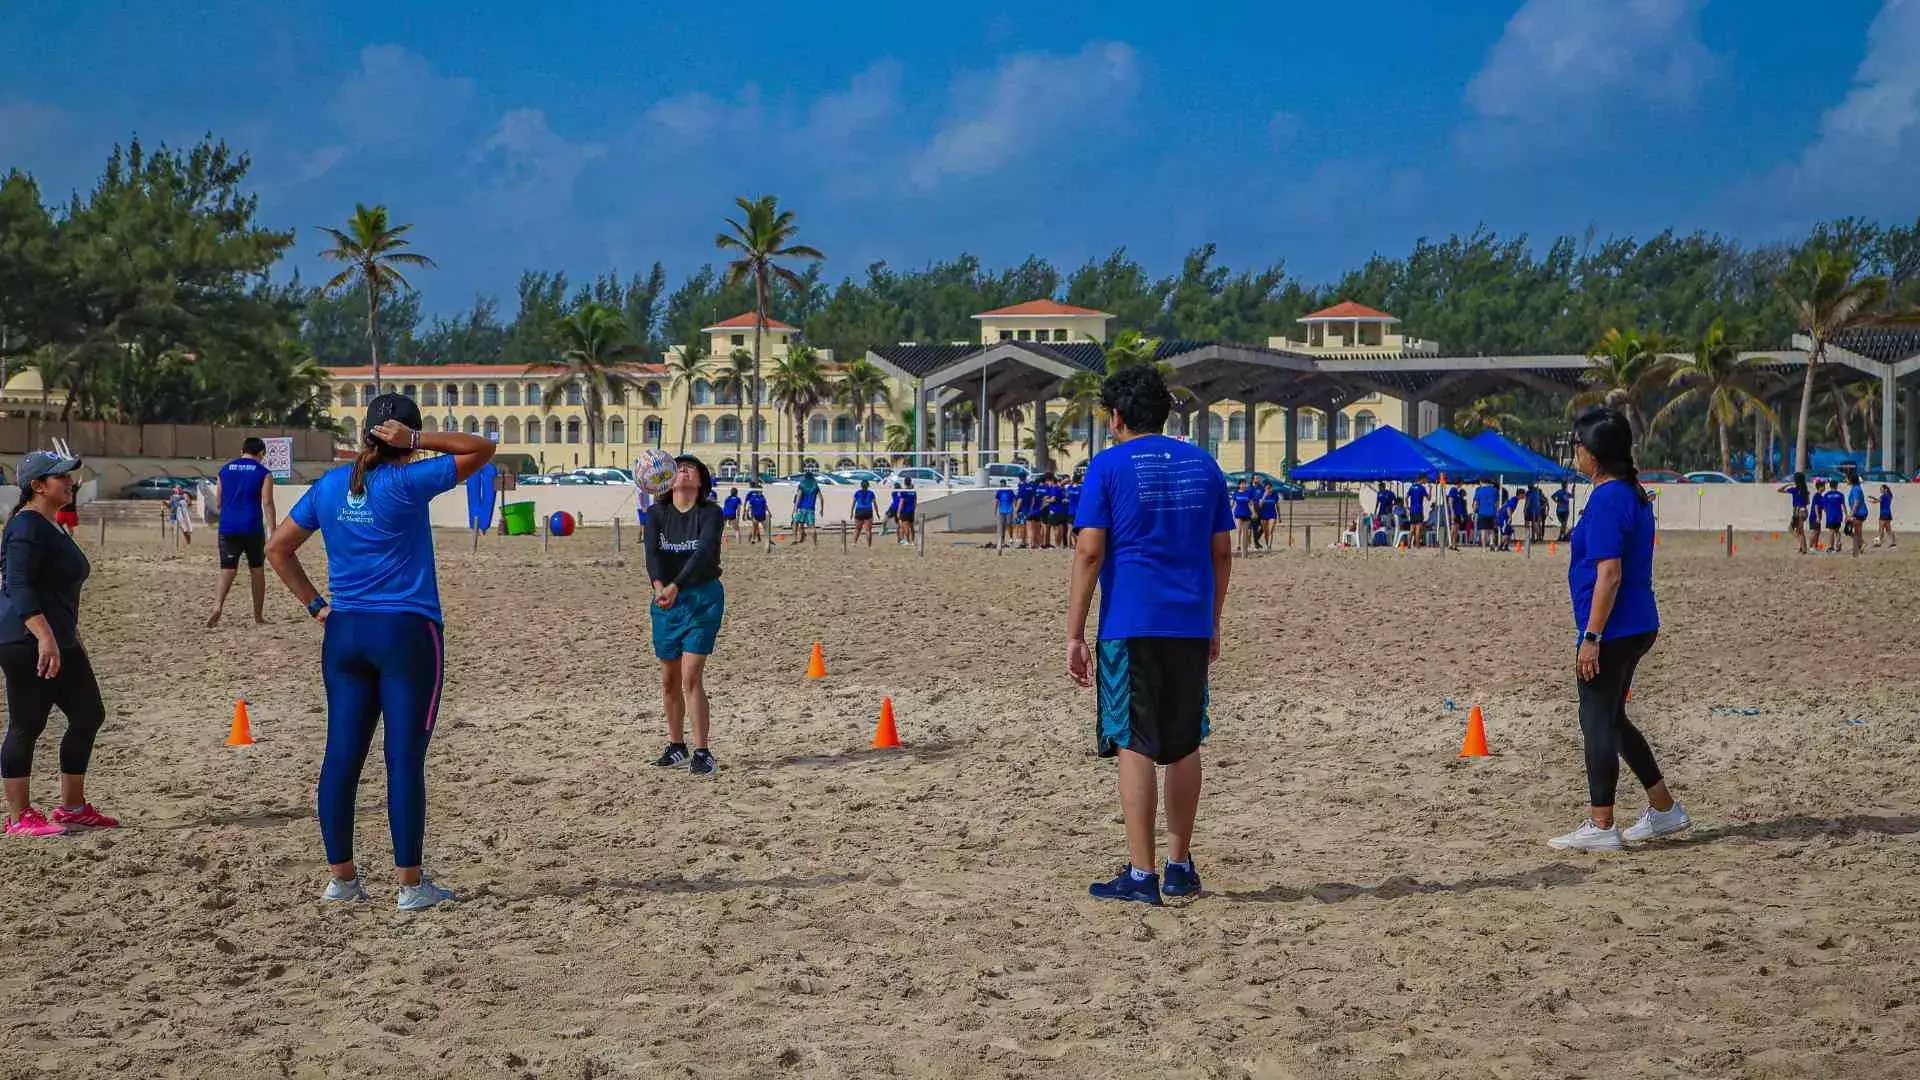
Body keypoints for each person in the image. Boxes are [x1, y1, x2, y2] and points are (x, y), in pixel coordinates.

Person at [266, 392, 495, 910]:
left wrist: (315, 605)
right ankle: (411, 885)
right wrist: (417, 441)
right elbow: (482, 448)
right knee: (404, 760)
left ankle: (342, 880)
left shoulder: (329, 486)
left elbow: (277, 548)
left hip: (344, 632)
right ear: (403, 437)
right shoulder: (407, 480)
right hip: (405, 632)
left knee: (341, 756)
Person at [1067, 365, 1233, 905]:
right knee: (1184, 743)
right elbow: (1223, 552)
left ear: (1115, 417)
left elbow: (1090, 550)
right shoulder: (1205, 465)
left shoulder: (1108, 466)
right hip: (1188, 620)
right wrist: (1212, 620)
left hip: (1130, 624)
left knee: (1133, 743)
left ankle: (1141, 876)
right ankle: (1179, 863)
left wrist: (1074, 632)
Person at [1550, 407, 1689, 852]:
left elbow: (1609, 573)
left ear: (1593, 453)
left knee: (1595, 722)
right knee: (1612, 719)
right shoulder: (1632, 493)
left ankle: (1601, 823)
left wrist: (1591, 638)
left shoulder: (1610, 497)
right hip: (1636, 622)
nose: (1574, 452)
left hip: (1613, 627)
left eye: (1576, 445)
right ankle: (1664, 809)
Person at [1, 451, 116, 837]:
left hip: (60, 637)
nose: (71, 482)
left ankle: (72, 807)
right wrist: (45, 636)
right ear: (37, 486)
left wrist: (68, 634)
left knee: (88, 714)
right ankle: (19, 817)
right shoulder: (25, 526)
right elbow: (17, 586)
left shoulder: (51, 524)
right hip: (26, 639)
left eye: (71, 477)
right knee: (26, 725)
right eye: (61, 478)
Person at [645, 456, 726, 776]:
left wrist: (676, 585)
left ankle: (703, 751)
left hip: (702, 598)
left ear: (702, 480)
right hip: (666, 600)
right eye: (678, 467)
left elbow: (704, 551)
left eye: (691, 467)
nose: (684, 470)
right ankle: (677, 746)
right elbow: (651, 553)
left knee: (691, 675)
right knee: (669, 680)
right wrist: (659, 587)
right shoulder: (656, 514)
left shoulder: (711, 513)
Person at [208, 437, 278, 628]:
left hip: (228, 527)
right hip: (252, 527)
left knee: (227, 569)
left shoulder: (224, 470)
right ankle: (258, 616)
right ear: (261, 453)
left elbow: (219, 503)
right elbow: (267, 503)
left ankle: (217, 605)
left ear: (242, 450)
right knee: (257, 571)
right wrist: (273, 531)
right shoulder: (263, 472)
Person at [792, 470, 820, 545]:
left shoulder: (802, 484)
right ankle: (815, 543)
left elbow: (798, 497)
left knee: (795, 522)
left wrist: (795, 508)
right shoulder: (815, 486)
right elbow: (822, 499)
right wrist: (821, 509)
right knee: (811, 526)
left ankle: (795, 538)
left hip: (802, 507)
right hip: (811, 509)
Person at [1846, 471, 1870, 557]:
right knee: (1857, 531)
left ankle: (1857, 549)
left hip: (1859, 513)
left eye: (1847, 478)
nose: (1846, 480)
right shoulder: (1856, 487)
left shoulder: (1856, 488)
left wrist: (1851, 515)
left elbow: (1856, 502)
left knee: (1850, 530)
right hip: (1859, 512)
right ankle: (1860, 546)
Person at [1820, 478, 1846, 555]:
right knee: (1837, 531)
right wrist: (1847, 514)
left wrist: (1828, 513)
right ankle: (1838, 545)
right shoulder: (1840, 495)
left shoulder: (1826, 495)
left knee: (1831, 532)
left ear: (1830, 486)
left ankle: (1831, 547)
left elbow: (1824, 507)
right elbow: (1843, 505)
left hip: (1830, 516)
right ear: (1837, 486)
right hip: (1838, 515)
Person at [1787, 473, 1811, 554]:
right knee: (1801, 531)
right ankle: (1802, 548)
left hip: (1797, 511)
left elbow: (1779, 490)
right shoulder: (1805, 491)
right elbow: (1808, 502)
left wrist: (1787, 484)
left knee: (1791, 529)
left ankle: (1803, 546)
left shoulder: (1794, 490)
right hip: (1804, 511)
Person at [1473, 480, 1499, 550]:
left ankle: (1484, 548)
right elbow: (1497, 503)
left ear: (1482, 482)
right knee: (1491, 530)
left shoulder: (1479, 491)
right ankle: (1491, 542)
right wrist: (1497, 512)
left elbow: (1475, 503)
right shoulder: (1495, 490)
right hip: (1492, 513)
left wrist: (1474, 512)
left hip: (1482, 513)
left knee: (1483, 531)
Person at [851, 479, 878, 547]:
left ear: (861, 485)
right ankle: (869, 545)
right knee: (868, 530)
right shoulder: (871, 493)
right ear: (868, 485)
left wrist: (851, 512)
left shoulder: (857, 493)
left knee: (857, 528)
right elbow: (875, 503)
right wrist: (877, 512)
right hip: (868, 510)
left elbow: (853, 503)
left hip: (859, 510)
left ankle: (854, 542)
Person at [1231, 478, 1255, 553]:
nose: (1243, 485)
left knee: (1246, 531)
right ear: (1239, 485)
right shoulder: (1235, 493)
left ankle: (1245, 544)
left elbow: (1251, 504)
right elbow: (1232, 504)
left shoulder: (1248, 493)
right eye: (1242, 484)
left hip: (1247, 514)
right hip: (1238, 513)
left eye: (1244, 483)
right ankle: (1238, 545)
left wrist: (1253, 512)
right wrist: (1229, 511)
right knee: (1239, 530)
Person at [1405, 475, 1429, 549]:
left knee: (1412, 528)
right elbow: (1428, 498)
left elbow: (1406, 497)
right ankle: (1417, 545)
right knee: (1418, 528)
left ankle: (1409, 544)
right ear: (1422, 479)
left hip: (1412, 510)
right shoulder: (1422, 488)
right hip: (1418, 509)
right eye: (1425, 479)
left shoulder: (1412, 487)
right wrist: (1430, 489)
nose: (1426, 481)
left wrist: (1407, 506)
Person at [1256, 478, 1279, 550]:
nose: (1268, 490)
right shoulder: (1262, 494)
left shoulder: (1275, 495)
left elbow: (1277, 506)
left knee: (1270, 530)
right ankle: (1267, 544)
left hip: (1272, 514)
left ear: (1271, 488)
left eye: (1269, 488)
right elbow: (1259, 505)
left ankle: (1269, 546)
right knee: (1266, 532)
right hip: (1264, 515)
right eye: (1267, 488)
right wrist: (1264, 496)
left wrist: (1279, 516)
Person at [895, 478, 918, 545]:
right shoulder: (913, 491)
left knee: (906, 526)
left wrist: (898, 511)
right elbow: (915, 502)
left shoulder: (903, 491)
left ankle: (907, 541)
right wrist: (913, 509)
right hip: (911, 511)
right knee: (911, 527)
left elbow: (901, 502)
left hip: (905, 511)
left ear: (904, 483)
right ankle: (913, 541)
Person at [1875, 484, 1896, 549]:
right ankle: (1893, 542)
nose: (1880, 490)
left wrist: (1871, 499)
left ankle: (1879, 542)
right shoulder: (1889, 496)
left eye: (1881, 489)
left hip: (1883, 514)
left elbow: (1877, 501)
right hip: (1888, 514)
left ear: (1885, 489)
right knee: (1888, 529)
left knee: (1880, 529)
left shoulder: (1883, 496)